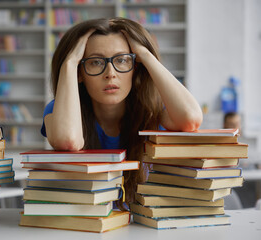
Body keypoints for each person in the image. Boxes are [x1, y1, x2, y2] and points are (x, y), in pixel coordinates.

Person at [40, 18, 203, 209]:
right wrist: (69, 63)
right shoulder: (58, 111)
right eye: (95, 62)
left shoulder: (151, 110)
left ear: (136, 66)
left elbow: (191, 119)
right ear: (79, 73)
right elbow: (68, 140)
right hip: (85, 222)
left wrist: (145, 54)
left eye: (122, 60)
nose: (110, 73)